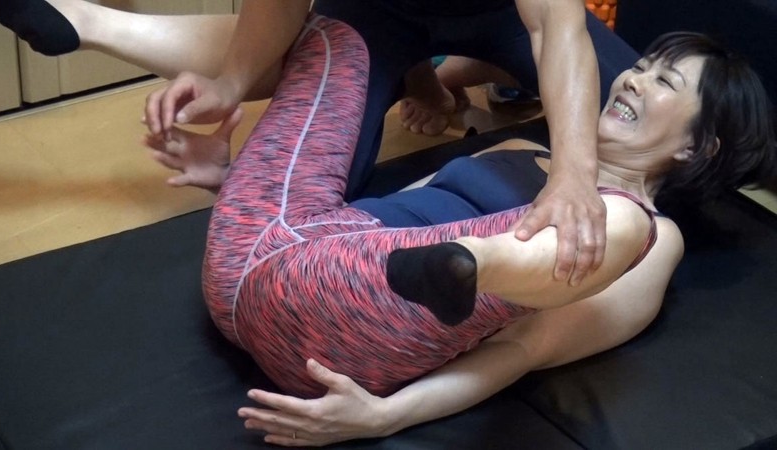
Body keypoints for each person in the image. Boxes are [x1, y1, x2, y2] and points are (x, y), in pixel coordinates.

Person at [141, 20, 774, 446]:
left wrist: (383, 417)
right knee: (334, 36)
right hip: (279, 258)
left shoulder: (648, 236)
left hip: (348, 326)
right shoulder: (521, 147)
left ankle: (475, 264)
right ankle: (461, 263)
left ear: (697, 146)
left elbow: (525, 349)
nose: (632, 78)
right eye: (641, 65)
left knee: (620, 221)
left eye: (664, 81)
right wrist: (242, 179)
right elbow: (371, 216)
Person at [0, 0, 634, 287]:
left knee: (654, 134)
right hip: (377, 15)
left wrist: (573, 175)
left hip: (499, 15)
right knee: (305, 197)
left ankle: (442, 81)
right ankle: (89, 19)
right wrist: (232, 85)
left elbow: (554, 26)